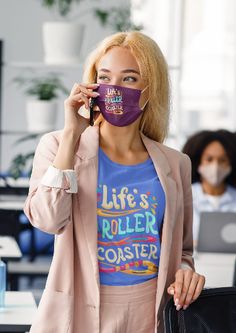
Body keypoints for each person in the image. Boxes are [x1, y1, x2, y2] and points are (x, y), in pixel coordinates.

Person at [24, 31, 205, 333]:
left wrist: (187, 273)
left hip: (152, 314)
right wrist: (72, 135)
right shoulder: (58, 146)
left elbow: (183, 252)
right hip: (77, 311)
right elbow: (47, 220)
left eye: (130, 79)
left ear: (151, 88)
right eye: (105, 78)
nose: (115, 89)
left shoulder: (176, 163)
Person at [182, 129, 236, 245]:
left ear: (231, 163)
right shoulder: (182, 197)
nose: (215, 166)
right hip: (195, 261)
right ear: (198, 162)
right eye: (209, 159)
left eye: (222, 160)